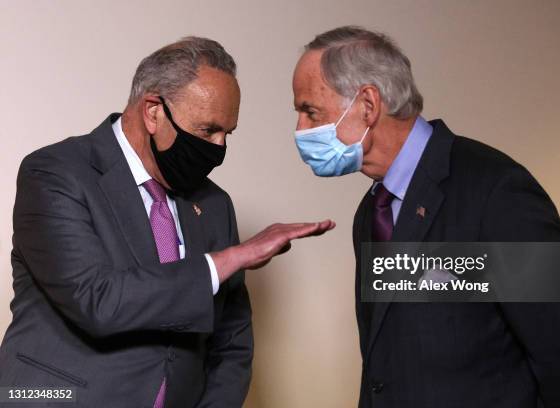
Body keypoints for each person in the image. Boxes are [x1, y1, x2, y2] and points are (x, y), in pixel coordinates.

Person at [0, 36, 334, 408]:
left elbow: (232, 341)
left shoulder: (214, 204)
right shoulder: (55, 173)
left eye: (228, 133)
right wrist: (227, 260)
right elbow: (97, 300)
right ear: (153, 111)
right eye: (208, 130)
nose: (220, 148)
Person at [292, 26, 560, 407]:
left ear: (368, 104)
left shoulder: (495, 191)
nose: (301, 129)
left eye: (310, 112)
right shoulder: (372, 212)